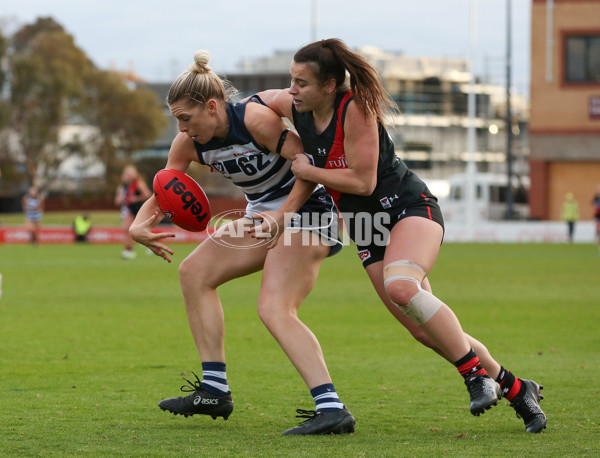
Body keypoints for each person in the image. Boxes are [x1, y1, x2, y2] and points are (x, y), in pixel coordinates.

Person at [253, 38, 547, 433]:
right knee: (422, 329)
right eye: (291, 80)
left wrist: (308, 171)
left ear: (329, 86)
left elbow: (362, 180)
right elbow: (254, 104)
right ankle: (516, 388)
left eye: (302, 83)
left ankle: (474, 376)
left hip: (406, 207)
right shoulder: (295, 105)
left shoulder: (354, 108)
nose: (292, 90)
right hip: (365, 227)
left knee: (402, 287)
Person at [128, 50, 355, 436]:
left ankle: (331, 407)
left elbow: (307, 166)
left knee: (274, 307)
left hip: (310, 211)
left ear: (213, 106)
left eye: (186, 118)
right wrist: (137, 226)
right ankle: (215, 389)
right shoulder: (189, 144)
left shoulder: (254, 119)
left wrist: (282, 216)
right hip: (262, 217)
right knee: (194, 272)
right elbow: (163, 187)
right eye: (177, 120)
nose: (181, 129)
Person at [114, 165, 152, 259]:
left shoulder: (138, 183)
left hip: (139, 210)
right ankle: (128, 250)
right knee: (126, 229)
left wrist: (135, 198)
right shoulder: (122, 187)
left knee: (143, 231)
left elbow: (147, 194)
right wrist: (121, 199)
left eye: (130, 173)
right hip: (129, 210)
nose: (128, 176)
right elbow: (117, 201)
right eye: (127, 173)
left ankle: (152, 245)